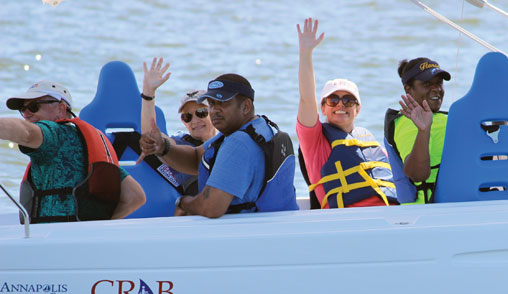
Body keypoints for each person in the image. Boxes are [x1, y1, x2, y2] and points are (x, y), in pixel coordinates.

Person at [138, 73, 298, 218]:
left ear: (246, 106)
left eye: (222, 102)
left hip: (247, 237)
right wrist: (163, 147)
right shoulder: (262, 128)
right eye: (212, 104)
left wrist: (183, 202)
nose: (214, 110)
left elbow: (211, 208)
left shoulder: (238, 143)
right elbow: (195, 159)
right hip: (277, 227)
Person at [1, 80, 145, 223]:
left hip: (50, 238)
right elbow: (135, 196)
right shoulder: (87, 144)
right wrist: (99, 225)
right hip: (81, 238)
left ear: (61, 109)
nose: (26, 114)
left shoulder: (53, 134)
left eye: (33, 107)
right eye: (22, 109)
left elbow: (26, 132)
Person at [296, 17, 398, 209]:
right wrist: (305, 53)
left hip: (390, 216)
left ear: (358, 109)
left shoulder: (368, 140)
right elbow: (306, 99)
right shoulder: (314, 141)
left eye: (348, 100)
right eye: (333, 100)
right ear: (323, 108)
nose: (340, 105)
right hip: (348, 220)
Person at [140, 57, 217, 198]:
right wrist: (148, 94)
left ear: (214, 113)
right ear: (183, 122)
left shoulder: (228, 141)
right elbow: (152, 137)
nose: (195, 121)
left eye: (201, 113)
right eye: (187, 117)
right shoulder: (179, 145)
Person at [386, 57, 451, 204]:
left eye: (439, 83)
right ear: (408, 89)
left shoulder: (449, 118)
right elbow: (417, 174)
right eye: (427, 84)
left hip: (461, 203)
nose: (436, 89)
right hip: (429, 211)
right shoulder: (407, 122)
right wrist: (424, 130)